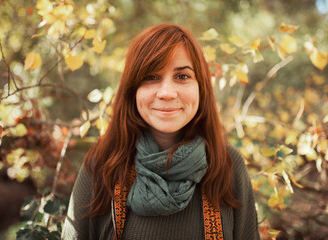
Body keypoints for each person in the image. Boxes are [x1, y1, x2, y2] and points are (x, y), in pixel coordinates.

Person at [62, 24, 259, 240]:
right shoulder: (103, 166)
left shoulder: (228, 166)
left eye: (182, 76)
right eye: (151, 77)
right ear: (132, 89)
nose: (166, 93)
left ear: (201, 87)